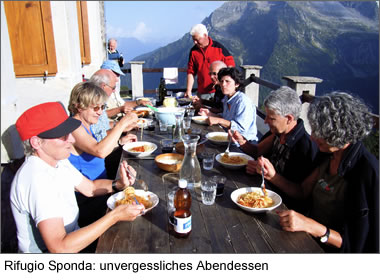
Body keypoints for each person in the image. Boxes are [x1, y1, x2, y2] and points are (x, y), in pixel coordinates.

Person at [10, 102, 144, 253]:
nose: (72, 140)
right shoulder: (37, 178)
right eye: (63, 136)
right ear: (36, 142)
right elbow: (60, 247)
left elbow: (90, 188)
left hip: (76, 239)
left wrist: (118, 184)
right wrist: (115, 216)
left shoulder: (58, 161)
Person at [262, 92, 379, 253]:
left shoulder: (365, 171)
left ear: (339, 132)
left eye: (319, 132)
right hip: (306, 236)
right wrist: (273, 177)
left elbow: (357, 244)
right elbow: (302, 191)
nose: (313, 137)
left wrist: (312, 226)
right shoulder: (327, 155)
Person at [230, 86, 319, 212]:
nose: (265, 121)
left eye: (271, 118)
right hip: (262, 195)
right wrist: (242, 143)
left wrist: (273, 177)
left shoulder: (306, 147)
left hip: (283, 210)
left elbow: (302, 194)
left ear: (289, 118)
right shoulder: (277, 133)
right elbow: (257, 151)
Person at [68, 82, 138, 228]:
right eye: (96, 107)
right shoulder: (73, 125)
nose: (100, 112)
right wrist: (122, 124)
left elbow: (96, 148)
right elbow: (99, 151)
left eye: (102, 107)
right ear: (79, 107)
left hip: (102, 189)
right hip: (89, 200)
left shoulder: (85, 125)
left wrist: (119, 141)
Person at [199, 67, 258, 142]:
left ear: (237, 84)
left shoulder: (243, 101)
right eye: (221, 81)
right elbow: (225, 118)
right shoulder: (227, 98)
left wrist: (218, 120)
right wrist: (210, 114)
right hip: (230, 138)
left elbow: (241, 128)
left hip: (245, 142)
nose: (223, 84)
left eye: (227, 81)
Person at [185, 23, 235, 100]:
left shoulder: (219, 48)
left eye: (197, 39)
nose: (195, 42)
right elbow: (191, 72)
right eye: (193, 40)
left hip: (220, 91)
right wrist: (188, 91)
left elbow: (231, 68)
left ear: (205, 35)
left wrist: (221, 82)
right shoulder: (193, 51)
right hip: (202, 92)